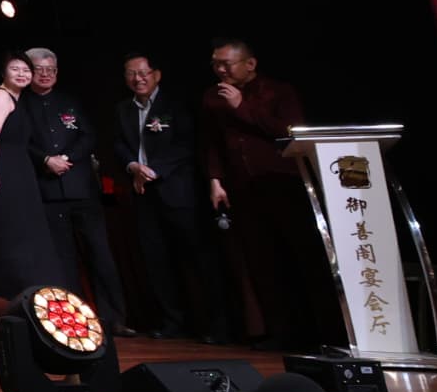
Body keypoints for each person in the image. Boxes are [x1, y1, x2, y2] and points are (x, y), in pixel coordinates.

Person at [200, 38, 319, 346]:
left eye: (226, 63)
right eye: (215, 63)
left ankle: (318, 329)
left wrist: (242, 106)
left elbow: (291, 131)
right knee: (261, 262)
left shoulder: (278, 91)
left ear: (249, 64)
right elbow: (213, 142)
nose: (220, 69)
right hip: (243, 189)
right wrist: (215, 179)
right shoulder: (213, 97)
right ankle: (279, 333)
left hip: (283, 183)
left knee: (299, 257)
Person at [117, 50, 230, 342]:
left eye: (143, 72)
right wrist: (133, 167)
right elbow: (119, 145)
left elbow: (185, 145)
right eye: (131, 73)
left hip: (179, 193)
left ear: (157, 74)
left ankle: (218, 326)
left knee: (200, 260)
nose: (138, 79)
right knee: (158, 263)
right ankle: (172, 323)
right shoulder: (122, 109)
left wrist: (152, 170)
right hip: (143, 195)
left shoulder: (176, 105)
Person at [24, 48, 129, 335]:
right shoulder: (20, 104)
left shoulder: (69, 101)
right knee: (63, 259)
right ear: (28, 71)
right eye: (39, 68)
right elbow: (20, 142)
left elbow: (88, 135)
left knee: (100, 255)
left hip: (81, 189)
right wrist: (45, 160)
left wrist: (65, 159)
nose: (45, 74)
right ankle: (75, 321)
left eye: (51, 69)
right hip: (47, 193)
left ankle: (114, 319)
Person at [0, 54, 63, 331]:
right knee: (6, 236)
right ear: (3, 72)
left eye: (27, 69)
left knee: (27, 237)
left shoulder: (19, 99)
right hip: (5, 173)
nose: (22, 74)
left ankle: (25, 301)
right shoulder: (0, 96)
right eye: (15, 69)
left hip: (21, 172)